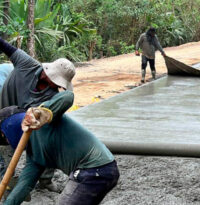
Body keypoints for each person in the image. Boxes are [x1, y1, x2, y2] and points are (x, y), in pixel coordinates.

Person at [1, 91, 119, 205]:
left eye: (4, 136)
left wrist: (42, 111)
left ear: (9, 126)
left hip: (93, 170)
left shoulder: (44, 121)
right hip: (101, 172)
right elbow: (23, 185)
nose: (7, 141)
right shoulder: (34, 156)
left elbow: (67, 96)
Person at [0, 37, 76, 192]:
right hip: (3, 116)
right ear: (49, 72)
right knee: (5, 166)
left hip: (24, 126)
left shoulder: (52, 96)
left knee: (48, 141)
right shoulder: (26, 64)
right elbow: (5, 46)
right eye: (57, 81)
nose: (57, 86)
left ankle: (45, 181)